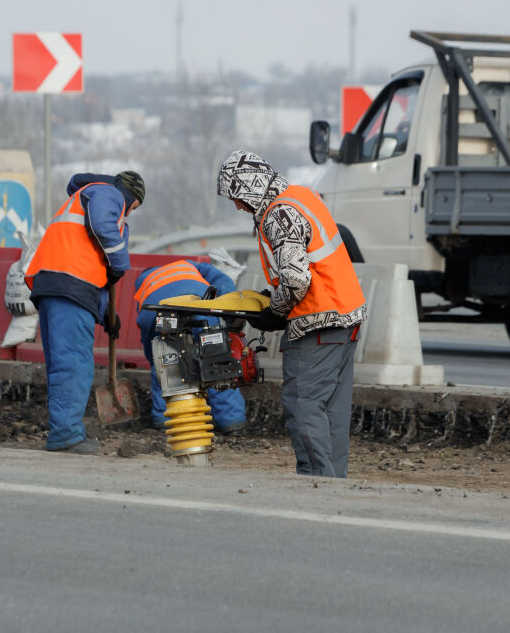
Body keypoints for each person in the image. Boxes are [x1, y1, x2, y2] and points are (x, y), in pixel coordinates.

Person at [216, 150, 365, 477]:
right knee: (332, 413)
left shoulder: (277, 214)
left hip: (317, 324)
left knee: (304, 407)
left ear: (249, 187)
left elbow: (297, 279)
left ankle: (316, 482)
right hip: (346, 317)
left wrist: (274, 310)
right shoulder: (300, 197)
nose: (238, 206)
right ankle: (334, 486)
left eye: (237, 197)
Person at [25, 170, 145, 454]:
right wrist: (120, 260)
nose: (129, 214)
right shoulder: (109, 192)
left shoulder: (84, 196)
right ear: (131, 195)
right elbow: (102, 225)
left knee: (62, 363)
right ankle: (66, 434)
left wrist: (106, 315)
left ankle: (62, 430)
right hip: (70, 283)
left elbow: (90, 261)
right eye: (134, 207)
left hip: (54, 282)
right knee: (75, 362)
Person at [133, 260, 248, 434]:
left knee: (164, 368)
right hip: (200, 306)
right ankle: (232, 422)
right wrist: (234, 316)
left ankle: (165, 421)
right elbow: (222, 280)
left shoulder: (144, 280)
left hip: (157, 311)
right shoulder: (189, 265)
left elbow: (146, 328)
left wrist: (153, 359)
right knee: (217, 363)